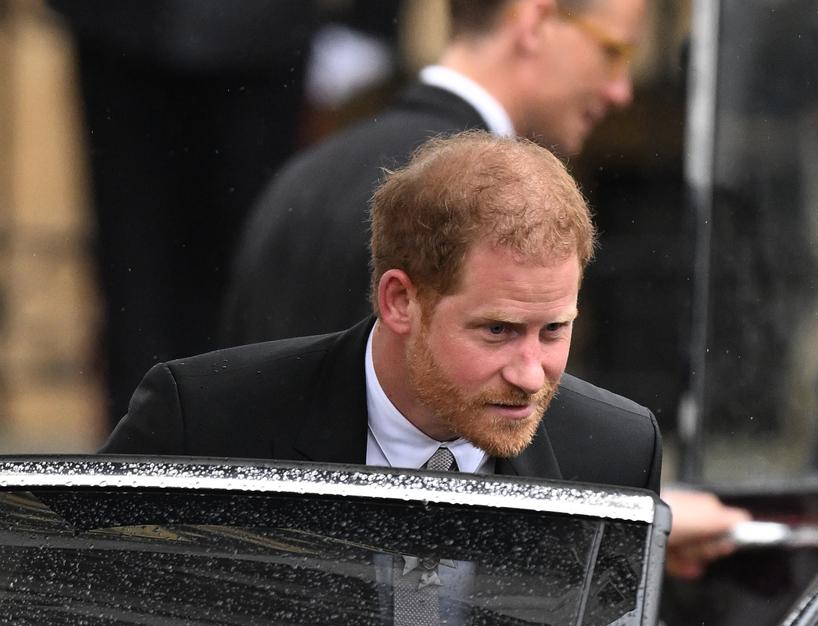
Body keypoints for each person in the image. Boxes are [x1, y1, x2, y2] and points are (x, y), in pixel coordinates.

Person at [104, 133, 660, 495]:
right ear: (400, 301)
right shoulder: (204, 424)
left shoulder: (617, 454)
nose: (530, 374)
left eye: (554, 330)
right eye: (497, 330)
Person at [220, 0, 644, 346]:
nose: (621, 91)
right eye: (613, 51)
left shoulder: (306, 173)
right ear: (534, 22)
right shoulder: (487, 203)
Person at [48, 0, 316, 426]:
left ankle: (238, 450)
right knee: (131, 268)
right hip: (120, 32)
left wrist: (369, 28)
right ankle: (135, 462)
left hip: (264, 35)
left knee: (248, 267)